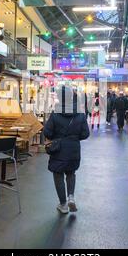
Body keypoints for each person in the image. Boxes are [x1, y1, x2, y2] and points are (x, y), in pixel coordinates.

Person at [43, 86, 90, 214]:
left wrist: (56, 137)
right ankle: (71, 197)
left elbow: (47, 131)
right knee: (71, 173)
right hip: (74, 149)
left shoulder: (56, 112)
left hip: (58, 149)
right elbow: (86, 133)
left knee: (58, 174)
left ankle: (63, 204)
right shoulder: (80, 113)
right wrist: (74, 138)